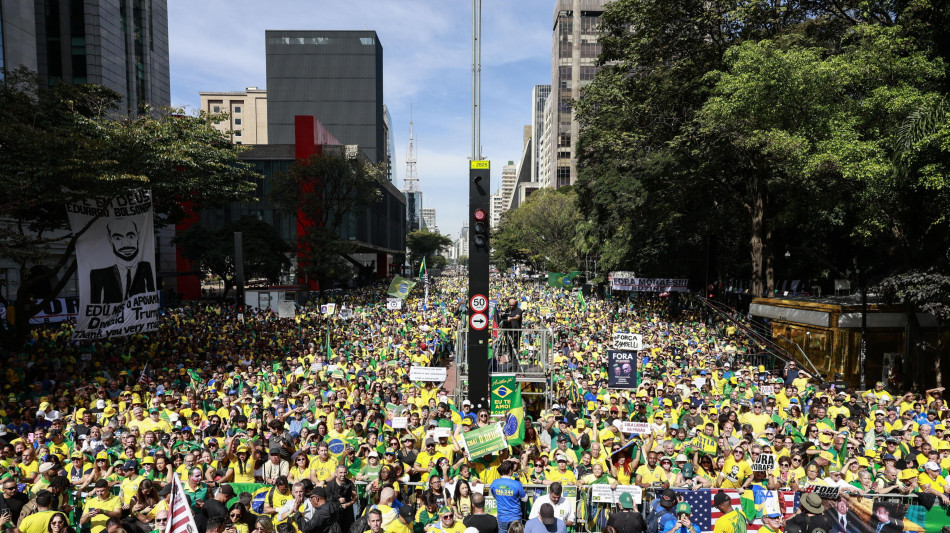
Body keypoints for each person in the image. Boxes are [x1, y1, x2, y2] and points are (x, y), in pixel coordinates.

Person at [89, 218, 155, 303]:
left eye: (131, 236)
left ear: (138, 237)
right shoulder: (99, 275)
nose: (126, 244)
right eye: (118, 238)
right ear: (110, 240)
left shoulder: (146, 268)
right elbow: (95, 305)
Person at [489, 462, 526, 533]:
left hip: (502, 517)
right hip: (515, 517)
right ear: (510, 471)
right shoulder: (517, 484)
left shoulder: (495, 483)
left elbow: (493, 495)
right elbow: (525, 498)